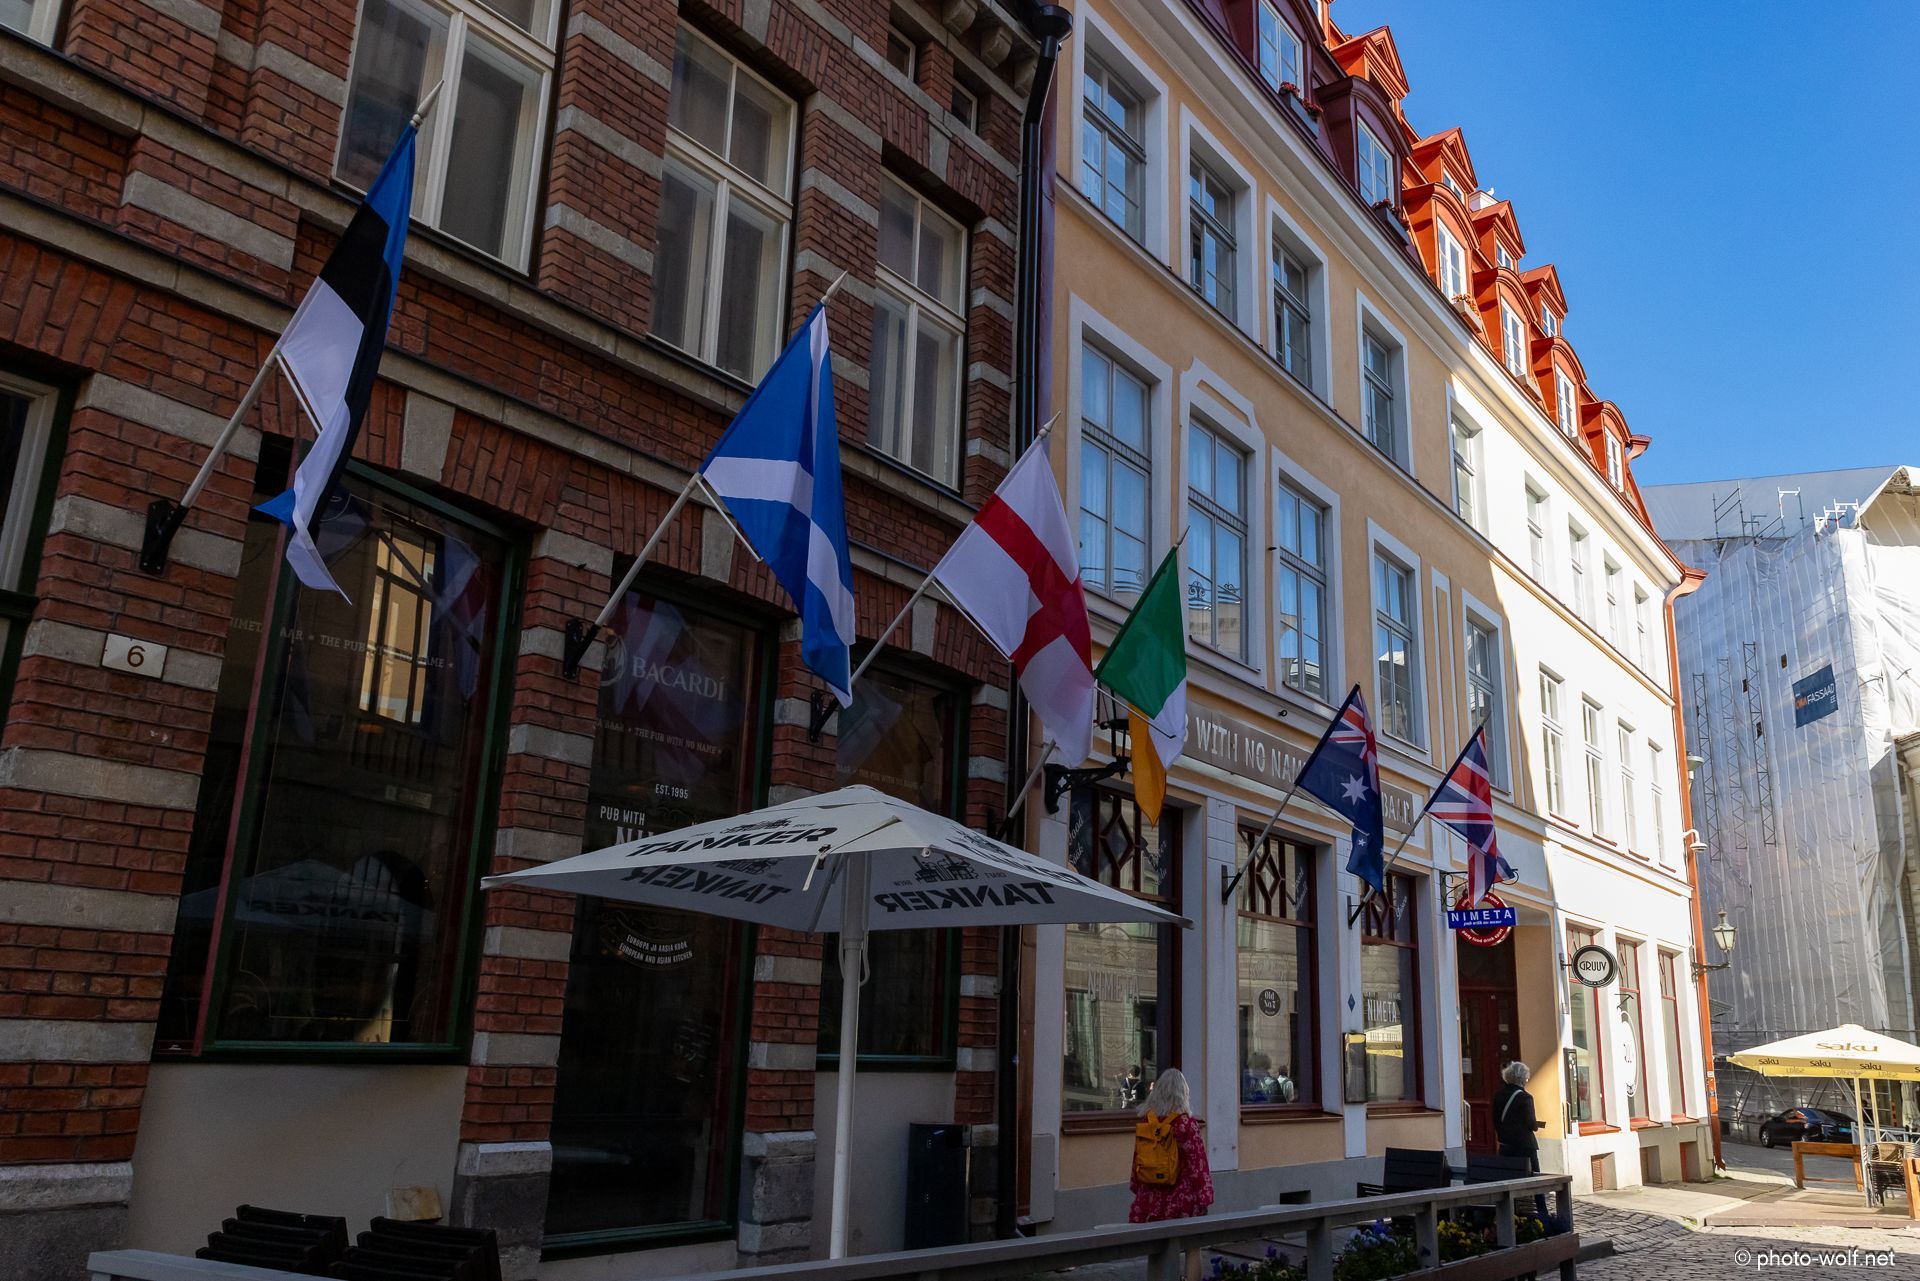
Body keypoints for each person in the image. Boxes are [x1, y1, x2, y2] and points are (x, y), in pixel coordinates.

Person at [1129, 1068, 1214, 1225]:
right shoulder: (1185, 1124)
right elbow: (1197, 1164)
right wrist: (1204, 1196)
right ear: (1183, 1094)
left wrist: (1137, 1187)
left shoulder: (1147, 1123)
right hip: (1180, 1199)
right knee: (1183, 1240)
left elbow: (1138, 1160)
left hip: (1149, 1198)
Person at [1493, 1061, 1552, 1225]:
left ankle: (1509, 1216)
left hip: (1505, 1145)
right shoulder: (1525, 1097)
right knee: (1536, 1180)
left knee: (1508, 1181)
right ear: (1522, 1078)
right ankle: (1543, 1216)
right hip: (1525, 1146)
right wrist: (1536, 1125)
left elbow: (1496, 1122)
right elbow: (1531, 1124)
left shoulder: (1498, 1096)